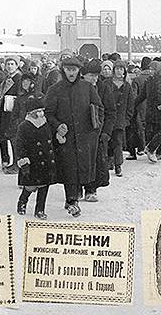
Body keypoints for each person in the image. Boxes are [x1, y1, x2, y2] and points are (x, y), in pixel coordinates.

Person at [44, 56, 103, 217]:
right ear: (63, 70)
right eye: (68, 69)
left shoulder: (88, 88)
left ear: (79, 71)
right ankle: (71, 200)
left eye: (74, 69)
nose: (71, 72)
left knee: (83, 169)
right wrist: (57, 126)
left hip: (85, 138)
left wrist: (95, 130)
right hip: (65, 138)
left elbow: (99, 109)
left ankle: (76, 195)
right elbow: (48, 113)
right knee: (69, 169)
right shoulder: (55, 89)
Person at [16, 96, 57, 219]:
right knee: (30, 186)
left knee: (44, 187)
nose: (40, 114)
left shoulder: (46, 124)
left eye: (41, 111)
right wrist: (23, 160)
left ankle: (40, 209)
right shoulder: (24, 126)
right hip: (32, 162)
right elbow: (20, 145)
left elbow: (51, 140)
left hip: (45, 161)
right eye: (37, 111)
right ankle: (22, 202)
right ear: (30, 113)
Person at [81, 60, 115, 202]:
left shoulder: (103, 88)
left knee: (95, 162)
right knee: (81, 162)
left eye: (96, 75)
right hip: (81, 131)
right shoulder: (77, 88)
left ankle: (91, 189)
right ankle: (77, 188)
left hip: (98, 132)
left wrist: (106, 131)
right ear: (83, 76)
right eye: (91, 75)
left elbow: (111, 111)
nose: (94, 79)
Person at [109, 60, 136, 177]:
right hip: (108, 117)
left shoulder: (127, 86)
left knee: (118, 142)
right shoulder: (107, 84)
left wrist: (127, 118)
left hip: (120, 119)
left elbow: (131, 104)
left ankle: (118, 164)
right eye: (117, 68)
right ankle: (108, 161)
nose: (119, 71)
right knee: (107, 140)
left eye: (121, 69)